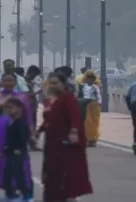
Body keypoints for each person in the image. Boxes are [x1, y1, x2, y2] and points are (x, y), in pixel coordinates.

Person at [38, 72, 92, 201]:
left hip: (65, 141)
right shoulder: (48, 99)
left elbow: (74, 116)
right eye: (51, 83)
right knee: (51, 170)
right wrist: (39, 131)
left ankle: (67, 196)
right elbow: (48, 119)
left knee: (65, 171)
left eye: (56, 83)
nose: (53, 85)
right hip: (51, 141)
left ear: (63, 84)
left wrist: (73, 132)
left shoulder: (68, 98)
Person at [79, 70, 102, 147]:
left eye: (92, 79)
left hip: (94, 107)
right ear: (86, 79)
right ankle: (87, 139)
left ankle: (93, 139)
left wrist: (98, 104)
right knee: (88, 123)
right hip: (85, 106)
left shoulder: (95, 87)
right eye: (89, 78)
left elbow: (99, 97)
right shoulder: (82, 86)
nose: (90, 80)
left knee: (95, 124)